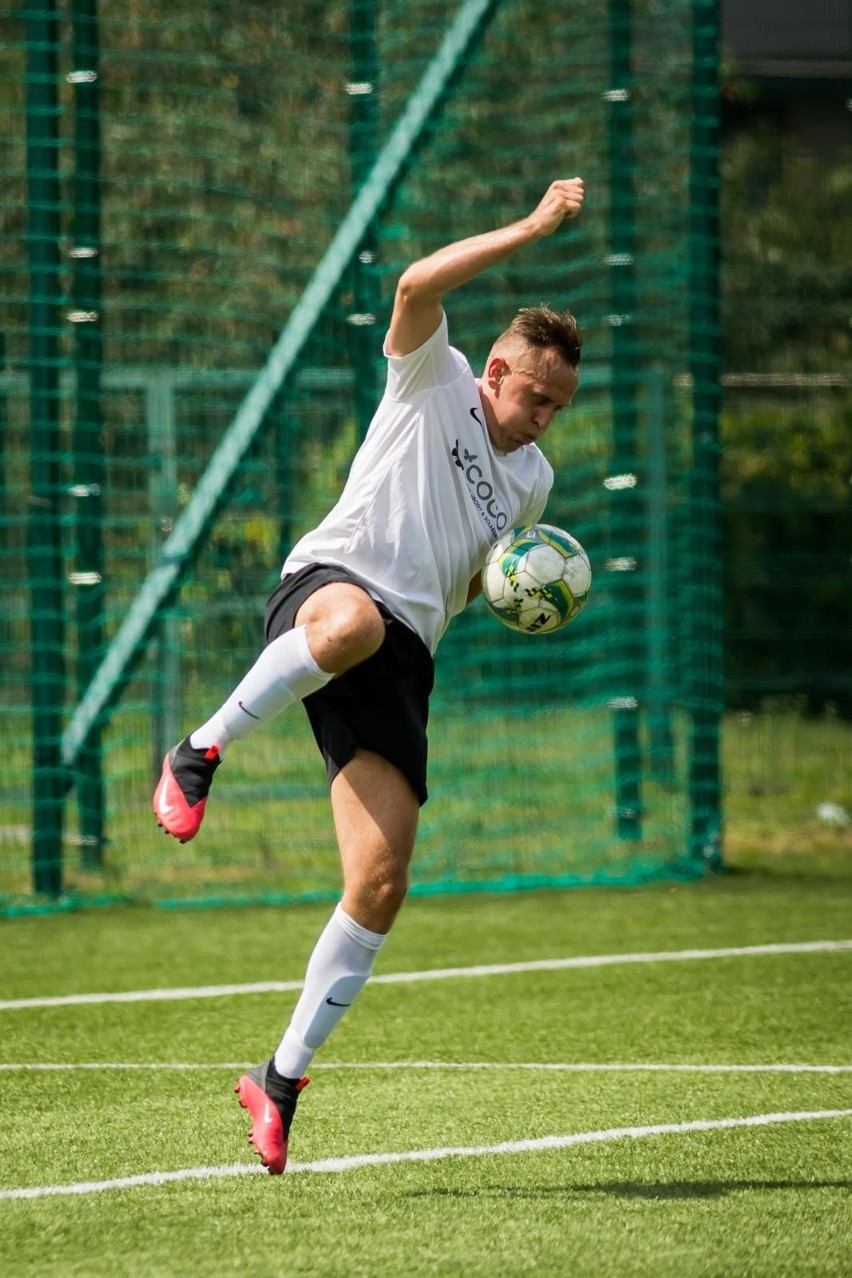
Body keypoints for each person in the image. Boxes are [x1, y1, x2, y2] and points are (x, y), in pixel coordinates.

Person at [153, 177, 585, 1174]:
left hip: (405, 653)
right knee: (348, 621)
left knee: (381, 882)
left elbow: (468, 577)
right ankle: (198, 750)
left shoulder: (534, 482)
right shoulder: (431, 375)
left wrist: (505, 589)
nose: (544, 421)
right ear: (498, 367)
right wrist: (528, 226)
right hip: (332, 590)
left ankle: (280, 1078)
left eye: (560, 409)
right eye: (536, 396)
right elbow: (415, 280)